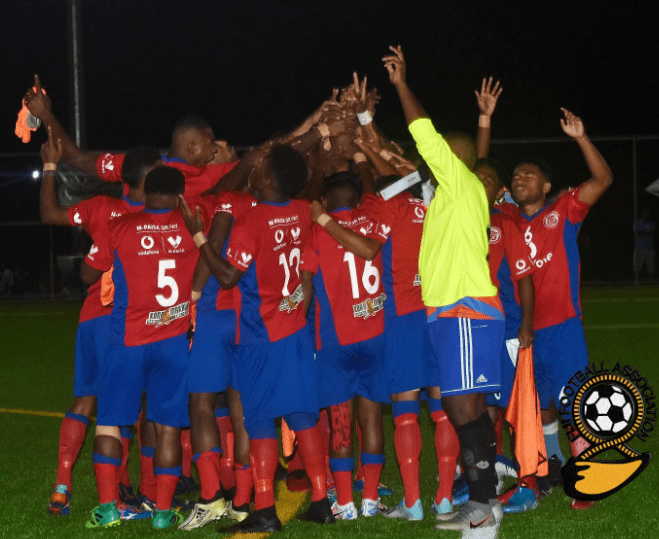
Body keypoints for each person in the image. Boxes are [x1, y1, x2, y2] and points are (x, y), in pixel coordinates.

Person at [181, 144, 334, 533]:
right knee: (302, 415)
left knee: (260, 419)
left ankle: (264, 509)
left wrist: (199, 237)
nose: (255, 168)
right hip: (295, 329)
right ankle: (321, 501)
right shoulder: (302, 211)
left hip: (261, 335)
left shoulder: (251, 221)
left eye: (261, 165)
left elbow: (227, 277)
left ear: (267, 177)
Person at [383, 45, 504, 532]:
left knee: (463, 410)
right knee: (464, 409)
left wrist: (401, 85)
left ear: (451, 160)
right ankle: (485, 502)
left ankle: (483, 506)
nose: (426, 160)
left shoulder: (459, 182)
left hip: (465, 311)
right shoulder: (454, 194)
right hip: (451, 313)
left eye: (437, 155)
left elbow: (423, 131)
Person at [80, 166, 210, 529]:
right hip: (172, 342)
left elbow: (87, 275)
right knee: (168, 427)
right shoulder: (193, 225)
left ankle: (108, 510)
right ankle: (163, 513)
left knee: (109, 423)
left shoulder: (120, 226)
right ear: (180, 196)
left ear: (144, 193)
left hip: (127, 342)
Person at [40, 126, 160, 520]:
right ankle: (125, 491)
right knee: (126, 409)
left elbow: (49, 214)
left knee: (84, 400)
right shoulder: (158, 217)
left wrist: (50, 166)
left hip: (92, 319)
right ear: (146, 179)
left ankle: (62, 486)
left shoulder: (100, 208)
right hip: (128, 323)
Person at [508, 108, 613, 510]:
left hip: (563, 326)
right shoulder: (505, 220)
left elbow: (603, 180)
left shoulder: (563, 209)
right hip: (523, 331)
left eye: (528, 174)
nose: (519, 179)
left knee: (573, 404)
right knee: (539, 405)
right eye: (515, 175)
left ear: (547, 185)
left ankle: (586, 479)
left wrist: (581, 137)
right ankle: (553, 464)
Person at [304, 172, 389, 520]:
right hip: (376, 334)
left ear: (325, 202)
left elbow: (305, 285)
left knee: (340, 421)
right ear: (357, 199)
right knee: (372, 418)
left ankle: (345, 502)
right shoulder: (374, 220)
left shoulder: (315, 231)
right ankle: (370, 497)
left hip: (335, 340)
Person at [178, 188, 257, 530]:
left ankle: (211, 497)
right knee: (242, 411)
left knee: (200, 404)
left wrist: (194, 294)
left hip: (214, 313)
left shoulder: (230, 200)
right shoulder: (268, 205)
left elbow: (216, 239)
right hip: (248, 315)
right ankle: (242, 501)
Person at [474, 158, 538, 512]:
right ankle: (488, 473)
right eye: (475, 179)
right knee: (480, 404)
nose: (480, 184)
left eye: (488, 180)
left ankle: (529, 482)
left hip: (507, 326)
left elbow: (524, 278)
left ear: (499, 190)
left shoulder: (505, 223)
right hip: (470, 327)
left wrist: (526, 324)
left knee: (517, 405)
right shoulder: (456, 220)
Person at [634, 207, 656, 279]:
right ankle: (636, 280)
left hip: (650, 247)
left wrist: (642, 232)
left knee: (650, 264)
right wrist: (646, 232)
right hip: (640, 246)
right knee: (638, 265)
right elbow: (636, 233)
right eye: (645, 213)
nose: (647, 215)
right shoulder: (638, 222)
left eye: (648, 213)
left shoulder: (651, 223)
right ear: (642, 214)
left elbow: (652, 232)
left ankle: (651, 279)